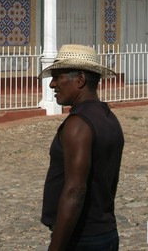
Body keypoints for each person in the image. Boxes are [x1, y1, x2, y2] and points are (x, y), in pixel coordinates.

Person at [39, 44, 125, 251]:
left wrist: (56, 247)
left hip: (82, 238)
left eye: (58, 77)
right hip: (105, 232)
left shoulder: (78, 124)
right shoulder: (107, 117)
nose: (52, 85)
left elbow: (75, 190)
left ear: (80, 79)